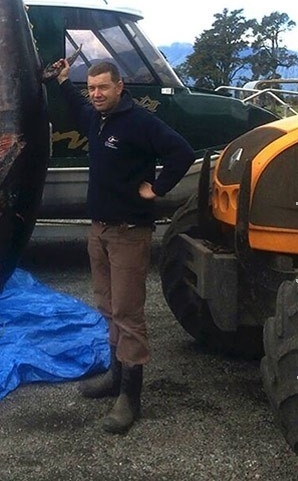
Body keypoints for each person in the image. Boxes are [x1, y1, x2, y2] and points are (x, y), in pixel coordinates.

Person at [53, 59, 195, 435]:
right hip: (98, 231)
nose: (96, 94)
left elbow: (181, 152)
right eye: (92, 88)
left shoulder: (140, 123)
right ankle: (115, 379)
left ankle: (130, 398)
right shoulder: (97, 119)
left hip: (129, 233)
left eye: (103, 87)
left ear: (120, 87)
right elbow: (77, 106)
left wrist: (158, 189)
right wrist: (66, 82)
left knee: (128, 314)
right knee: (107, 306)